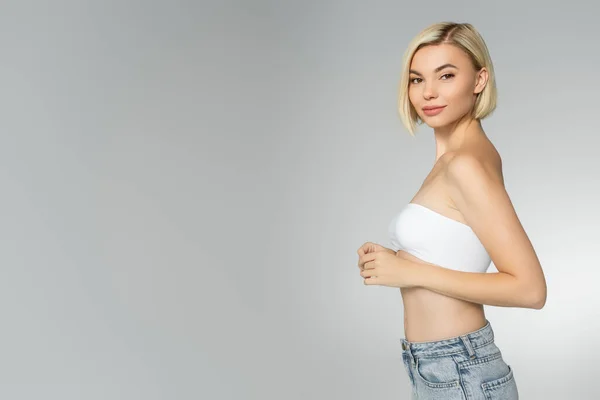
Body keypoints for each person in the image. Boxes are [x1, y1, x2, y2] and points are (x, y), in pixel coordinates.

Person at [356, 22, 547, 400]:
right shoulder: (456, 159)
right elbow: (459, 249)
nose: (428, 93)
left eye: (446, 75)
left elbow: (530, 289)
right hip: (438, 368)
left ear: (479, 80)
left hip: (460, 371)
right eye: (416, 79)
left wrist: (410, 270)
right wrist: (396, 261)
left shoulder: (465, 164)